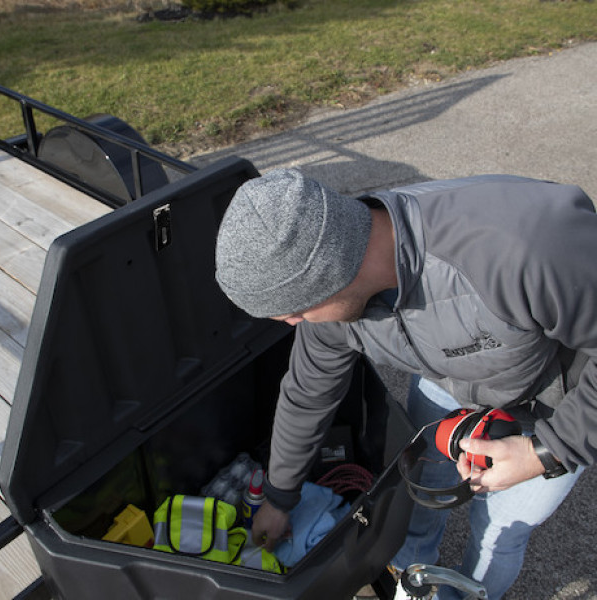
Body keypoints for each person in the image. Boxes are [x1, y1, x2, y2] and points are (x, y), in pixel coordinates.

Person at [214, 168, 596, 599]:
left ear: (329, 275)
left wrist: (546, 451)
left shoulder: (524, 248)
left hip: (557, 407)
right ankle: (415, 583)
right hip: (448, 380)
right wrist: (279, 499)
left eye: (294, 312)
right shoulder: (333, 297)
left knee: (500, 531)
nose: (294, 324)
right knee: (416, 496)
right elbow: (307, 394)